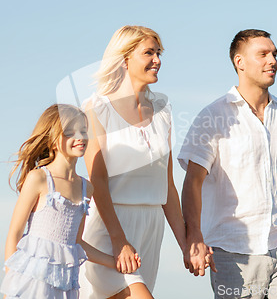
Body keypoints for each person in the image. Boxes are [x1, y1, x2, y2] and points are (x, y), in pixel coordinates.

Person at [179, 29, 277, 299]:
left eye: (274, 54)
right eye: (263, 54)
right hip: (232, 254)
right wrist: (193, 235)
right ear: (239, 62)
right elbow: (193, 181)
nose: (272, 60)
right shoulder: (213, 116)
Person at [79, 26, 193, 299]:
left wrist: (185, 244)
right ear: (125, 59)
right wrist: (119, 241)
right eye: (149, 53)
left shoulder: (163, 111)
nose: (157, 60)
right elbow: (98, 181)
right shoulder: (96, 107)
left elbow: (168, 187)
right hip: (110, 228)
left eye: (159, 53)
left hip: (151, 229)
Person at [1, 104, 131, 299]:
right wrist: (13, 282)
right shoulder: (39, 179)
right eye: (69, 132)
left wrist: (114, 262)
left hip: (64, 285)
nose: (80, 137)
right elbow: (15, 233)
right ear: (52, 140)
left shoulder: (87, 188)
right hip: (31, 284)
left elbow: (76, 243)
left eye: (83, 130)